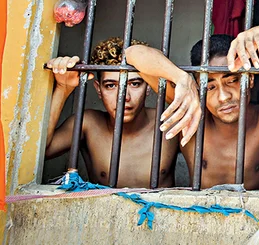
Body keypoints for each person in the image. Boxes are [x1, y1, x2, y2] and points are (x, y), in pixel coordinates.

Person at [125, 25, 259, 190]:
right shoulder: (192, 115)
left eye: (232, 80)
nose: (224, 97)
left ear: (250, 79)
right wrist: (180, 77)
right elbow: (132, 53)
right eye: (210, 86)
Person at [46, 38, 178, 187]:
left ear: (148, 87)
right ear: (98, 89)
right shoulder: (88, 124)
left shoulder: (169, 123)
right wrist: (63, 88)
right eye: (110, 86)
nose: (123, 97)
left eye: (134, 84)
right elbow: (43, 151)